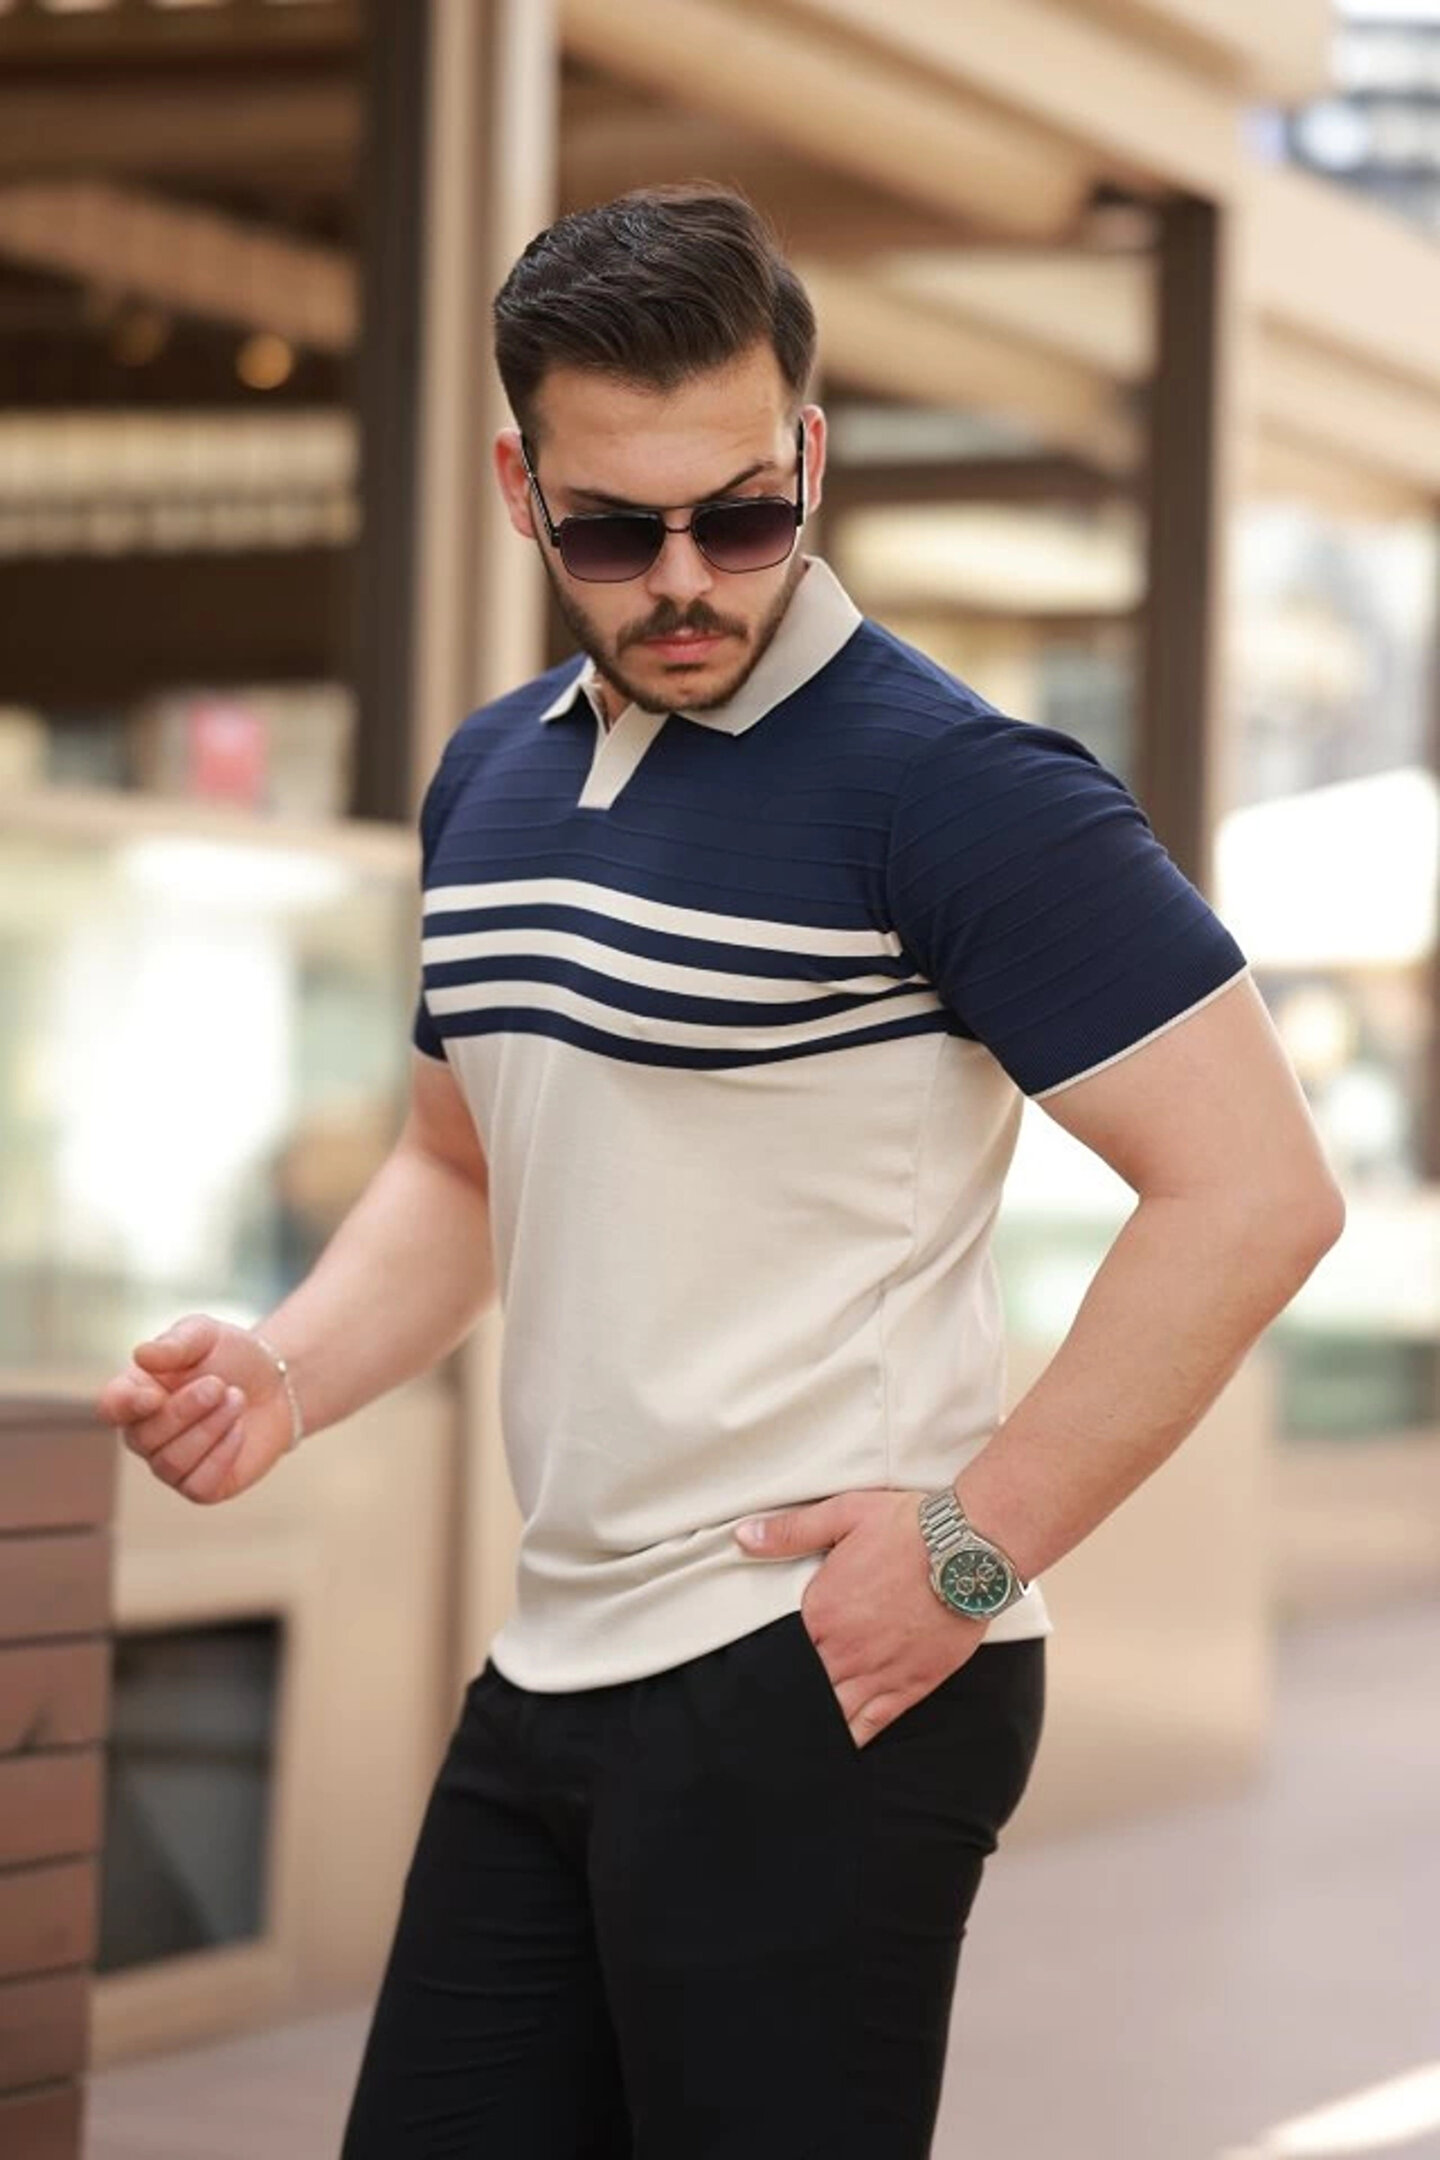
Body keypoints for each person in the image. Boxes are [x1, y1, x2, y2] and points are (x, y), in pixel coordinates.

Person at [95, 185, 1345, 2158]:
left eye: (742, 516)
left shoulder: (959, 790)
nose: (685, 582)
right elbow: (462, 1165)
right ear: (520, 490)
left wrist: (973, 1549)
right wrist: (291, 1371)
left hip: (818, 1666)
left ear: (810, 458)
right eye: (615, 530)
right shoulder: (490, 777)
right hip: (550, 1658)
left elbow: (1257, 1191)